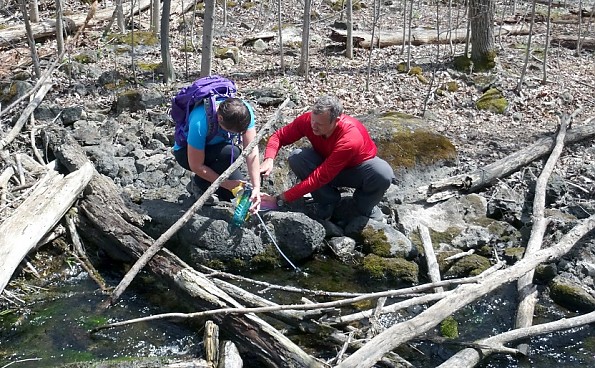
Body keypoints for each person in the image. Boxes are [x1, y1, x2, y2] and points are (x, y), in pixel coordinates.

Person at [260, 95, 394, 220]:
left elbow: (318, 178)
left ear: (336, 121)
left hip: (355, 171)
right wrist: (268, 159)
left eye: (319, 124)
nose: (313, 125)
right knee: (297, 157)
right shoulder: (309, 121)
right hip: (327, 163)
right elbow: (279, 136)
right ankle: (328, 202)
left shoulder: (350, 138)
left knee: (382, 173)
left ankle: (363, 207)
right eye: (313, 120)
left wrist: (279, 199)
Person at [173, 97, 261, 210]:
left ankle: (208, 181)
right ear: (219, 118)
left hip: (218, 151)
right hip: (187, 154)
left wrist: (256, 187)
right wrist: (228, 184)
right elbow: (196, 165)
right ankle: (198, 184)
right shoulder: (200, 122)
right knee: (232, 152)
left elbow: (251, 151)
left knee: (234, 195)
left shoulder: (244, 112)